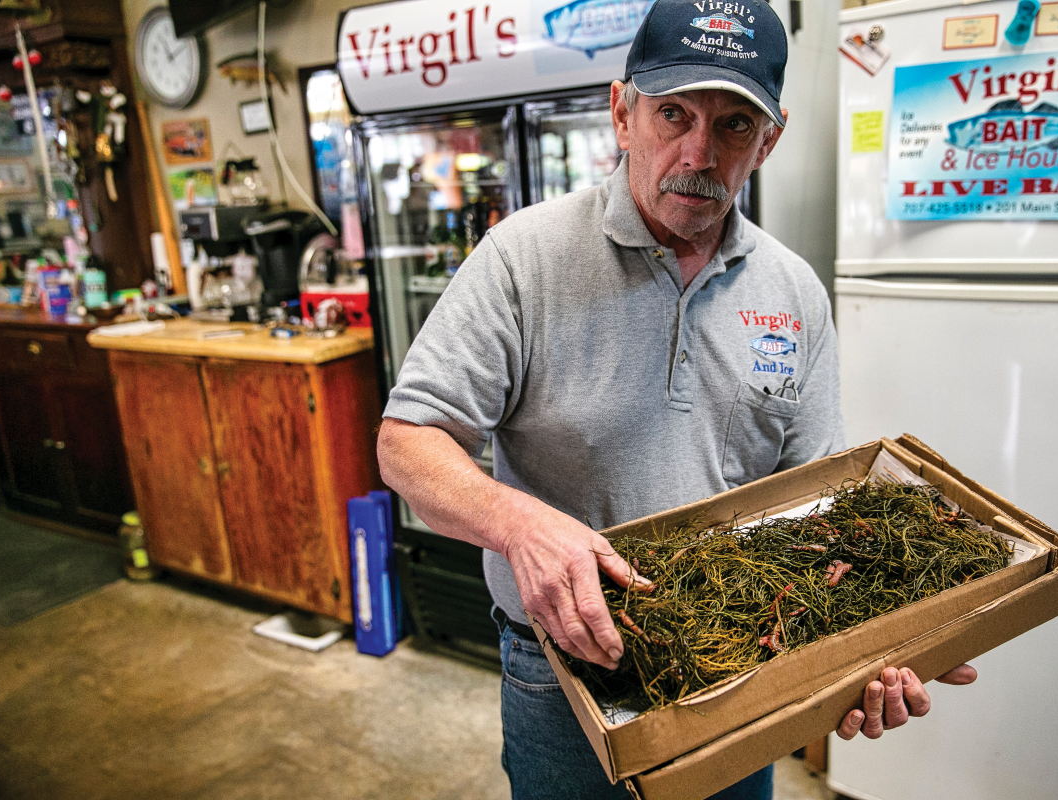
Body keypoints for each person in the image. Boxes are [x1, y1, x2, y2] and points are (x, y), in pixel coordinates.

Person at [377, 1, 976, 797]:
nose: (698, 152)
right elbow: (407, 441)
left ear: (771, 139)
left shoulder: (794, 292)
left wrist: (867, 647)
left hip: (741, 662)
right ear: (623, 115)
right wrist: (520, 525)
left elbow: (822, 498)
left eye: (734, 125)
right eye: (673, 113)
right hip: (565, 670)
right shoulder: (523, 258)